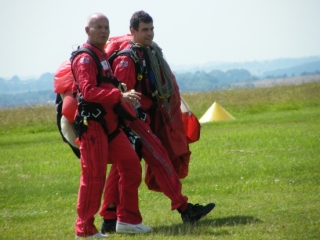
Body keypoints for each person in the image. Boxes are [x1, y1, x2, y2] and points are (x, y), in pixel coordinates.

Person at [99, 10, 215, 233]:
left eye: (151, 29)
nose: (149, 33)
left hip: (143, 120)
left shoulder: (146, 53)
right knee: (161, 160)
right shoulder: (126, 59)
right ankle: (184, 209)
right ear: (133, 31)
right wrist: (133, 124)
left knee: (120, 170)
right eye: (144, 30)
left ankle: (109, 218)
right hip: (134, 123)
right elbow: (122, 97)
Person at [72, 13, 151, 238]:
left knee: (130, 164)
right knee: (94, 177)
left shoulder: (102, 55)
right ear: (88, 31)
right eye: (98, 27)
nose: (103, 31)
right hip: (93, 126)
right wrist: (120, 95)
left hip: (110, 126)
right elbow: (87, 92)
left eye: (106, 27)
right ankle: (85, 230)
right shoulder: (85, 58)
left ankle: (127, 220)